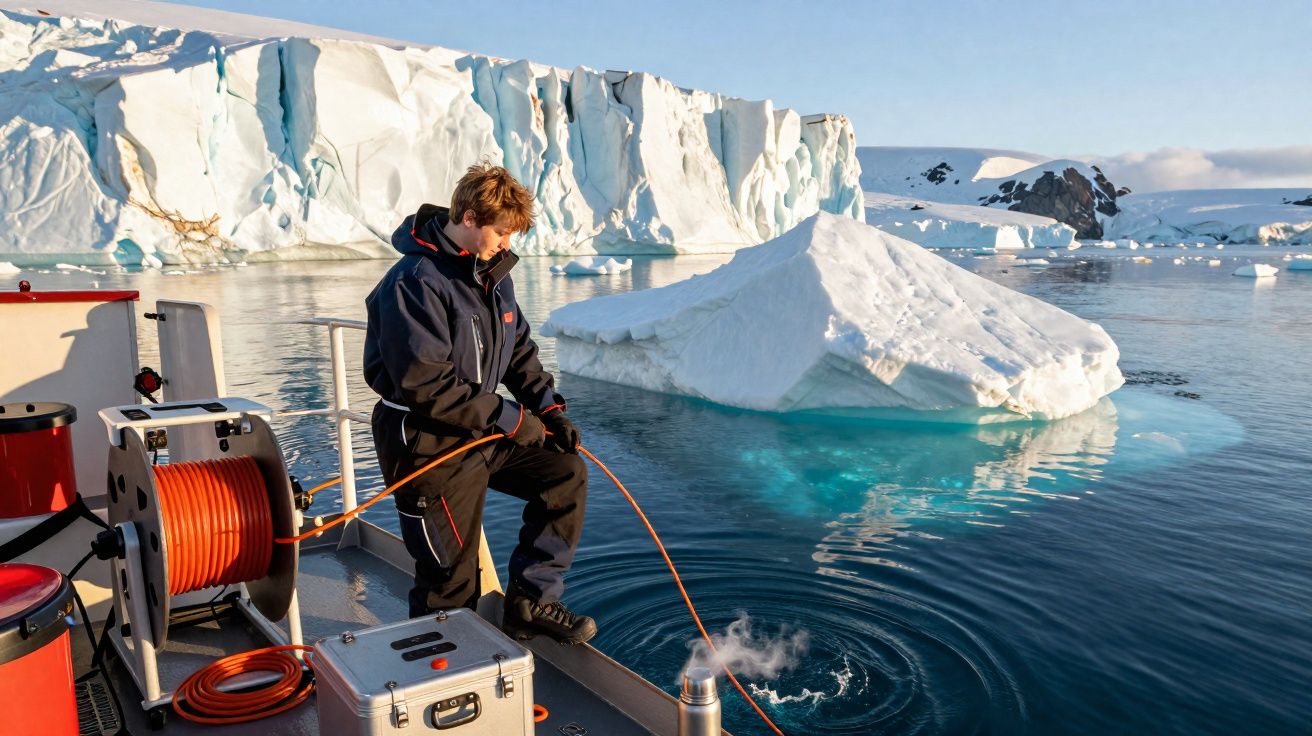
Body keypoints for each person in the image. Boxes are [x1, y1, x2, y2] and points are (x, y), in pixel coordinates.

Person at [363, 163, 596, 643]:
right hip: (426, 444)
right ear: (468, 218)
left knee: (565, 475)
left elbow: (519, 351)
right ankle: (440, 671)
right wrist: (510, 418)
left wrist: (549, 410)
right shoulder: (414, 282)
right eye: (501, 231)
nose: (506, 243)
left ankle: (530, 604)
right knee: (451, 579)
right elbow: (425, 385)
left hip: (477, 433)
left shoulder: (491, 275)